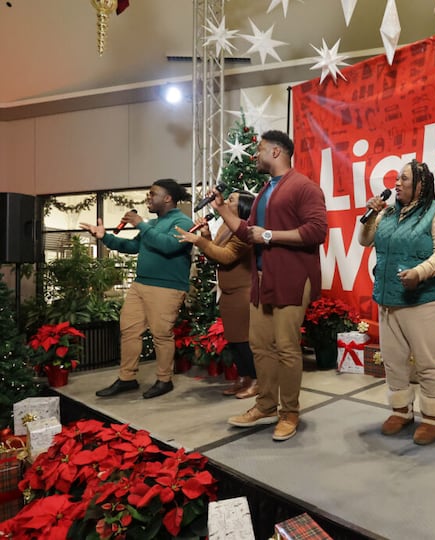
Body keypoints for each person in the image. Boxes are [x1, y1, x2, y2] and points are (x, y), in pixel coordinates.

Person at [210, 130, 328, 442]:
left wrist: (269, 235)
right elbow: (249, 232)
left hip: (292, 278)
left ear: (276, 152)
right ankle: (265, 405)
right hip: (262, 278)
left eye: (260, 149)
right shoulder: (266, 190)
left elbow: (317, 231)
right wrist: (222, 209)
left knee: (287, 348)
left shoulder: (304, 187)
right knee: (260, 345)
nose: (256, 155)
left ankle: (289, 412)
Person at [359, 160, 435, 445]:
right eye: (396, 179)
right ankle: (400, 410)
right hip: (389, 298)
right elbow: (365, 240)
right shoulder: (388, 213)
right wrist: (370, 216)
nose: (397, 184)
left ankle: (433, 417)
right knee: (393, 360)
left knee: (427, 362)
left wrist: (420, 273)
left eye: (404, 179)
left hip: (426, 299)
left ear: (421, 184)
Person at [81, 179, 194, 399]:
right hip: (140, 284)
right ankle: (127, 378)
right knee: (129, 330)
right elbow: (133, 247)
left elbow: (169, 246)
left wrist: (141, 224)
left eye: (153, 194)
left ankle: (164, 380)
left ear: (167, 198)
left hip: (166, 288)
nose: (148, 198)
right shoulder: (152, 224)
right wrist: (105, 237)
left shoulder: (183, 221)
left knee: (161, 335)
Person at [174, 190, 258, 399]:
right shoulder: (225, 226)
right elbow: (214, 254)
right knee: (234, 339)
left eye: (231, 200)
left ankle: (257, 381)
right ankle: (243, 377)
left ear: (243, 207)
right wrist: (205, 235)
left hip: (242, 292)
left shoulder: (245, 230)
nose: (226, 201)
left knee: (244, 340)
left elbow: (227, 256)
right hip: (228, 292)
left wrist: (198, 241)